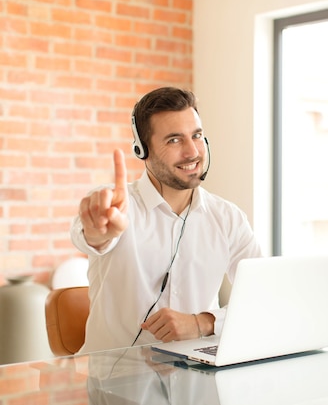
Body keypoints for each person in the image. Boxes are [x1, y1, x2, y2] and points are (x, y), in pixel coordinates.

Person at [71, 86, 262, 353]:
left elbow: (262, 299)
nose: (192, 152)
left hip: (198, 381)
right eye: (174, 140)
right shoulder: (115, 207)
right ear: (142, 150)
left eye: (196, 135)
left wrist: (202, 323)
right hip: (116, 382)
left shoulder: (228, 218)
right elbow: (91, 237)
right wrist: (97, 233)